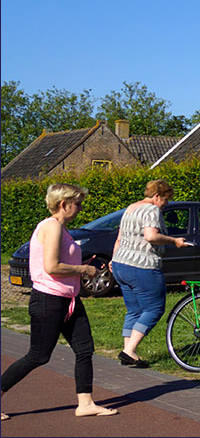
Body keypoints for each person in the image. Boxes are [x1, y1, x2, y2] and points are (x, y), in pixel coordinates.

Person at [0, 183, 118, 419]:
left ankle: (85, 404)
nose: (81, 208)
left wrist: (85, 265)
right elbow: (51, 267)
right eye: (78, 203)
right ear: (64, 204)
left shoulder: (62, 230)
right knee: (38, 356)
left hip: (69, 300)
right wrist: (84, 269)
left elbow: (62, 261)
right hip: (48, 300)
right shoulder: (51, 227)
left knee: (84, 349)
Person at [110, 179, 188, 368]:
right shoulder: (152, 210)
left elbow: (120, 238)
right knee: (154, 309)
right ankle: (129, 351)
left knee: (134, 310)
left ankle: (128, 351)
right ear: (156, 196)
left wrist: (113, 259)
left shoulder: (130, 208)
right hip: (142, 266)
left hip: (121, 264)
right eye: (166, 199)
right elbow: (151, 236)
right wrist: (174, 241)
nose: (166, 204)